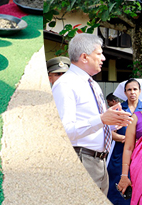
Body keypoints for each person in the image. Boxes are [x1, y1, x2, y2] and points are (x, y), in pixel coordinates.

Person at [52, 33, 133, 193]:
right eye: (99, 53)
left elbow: (94, 122)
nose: (103, 58)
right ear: (84, 57)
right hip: (83, 159)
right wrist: (102, 119)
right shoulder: (66, 84)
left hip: (99, 161)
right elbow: (63, 131)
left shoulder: (92, 84)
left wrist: (112, 123)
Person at [106, 78, 142, 205]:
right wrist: (125, 139)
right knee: (116, 178)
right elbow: (109, 132)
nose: (132, 92)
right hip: (120, 150)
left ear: (140, 91)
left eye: (135, 89)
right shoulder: (118, 109)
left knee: (139, 180)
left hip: (141, 151)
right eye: (129, 90)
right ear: (125, 92)